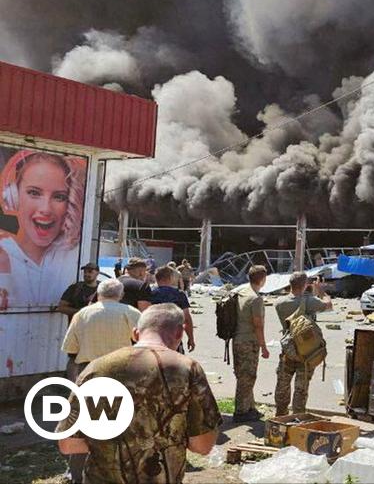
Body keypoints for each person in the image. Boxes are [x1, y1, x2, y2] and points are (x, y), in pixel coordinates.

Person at [57, 303, 221, 484]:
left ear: (135, 333)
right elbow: (202, 445)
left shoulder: (97, 367)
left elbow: (67, 443)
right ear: (180, 333)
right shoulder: (187, 369)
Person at [59, 278, 140, 484]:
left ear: (98, 294)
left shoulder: (82, 314)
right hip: (123, 372)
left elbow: (71, 349)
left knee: (84, 423)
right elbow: (142, 344)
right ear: (120, 295)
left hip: (89, 372)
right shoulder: (131, 313)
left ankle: (76, 474)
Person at [0, 149, 87, 310]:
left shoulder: (72, 256)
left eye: (59, 197)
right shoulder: (4, 254)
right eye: (34, 193)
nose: (46, 209)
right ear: (13, 196)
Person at [273, 272, 332, 416]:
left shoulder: (280, 303)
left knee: (283, 384)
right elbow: (329, 305)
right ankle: (298, 417)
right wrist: (321, 290)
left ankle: (281, 415)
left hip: (288, 350)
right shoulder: (310, 301)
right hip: (307, 352)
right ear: (305, 285)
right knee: (301, 387)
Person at [232, 265, 268, 422]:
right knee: (247, 377)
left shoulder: (241, 292)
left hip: (237, 339)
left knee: (244, 375)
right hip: (249, 342)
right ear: (262, 279)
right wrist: (264, 347)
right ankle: (241, 412)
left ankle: (249, 407)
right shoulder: (256, 299)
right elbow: (258, 325)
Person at [151, 265, 195, 352]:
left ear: (156, 278)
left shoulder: (150, 294)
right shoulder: (179, 294)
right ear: (170, 278)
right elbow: (186, 319)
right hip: (174, 337)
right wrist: (191, 338)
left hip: (153, 337)